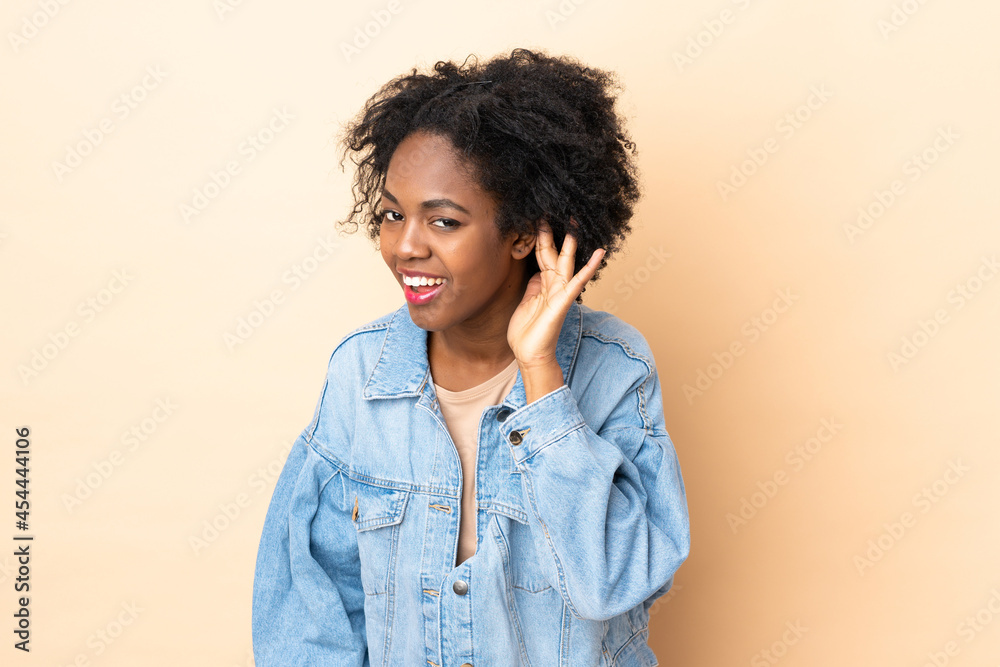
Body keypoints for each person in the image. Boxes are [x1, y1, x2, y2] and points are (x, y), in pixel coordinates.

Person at [252, 48, 690, 666]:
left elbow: (611, 584)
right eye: (393, 214)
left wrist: (542, 378)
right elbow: (311, 607)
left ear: (523, 234)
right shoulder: (362, 372)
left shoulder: (615, 367)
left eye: (444, 222)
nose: (405, 246)